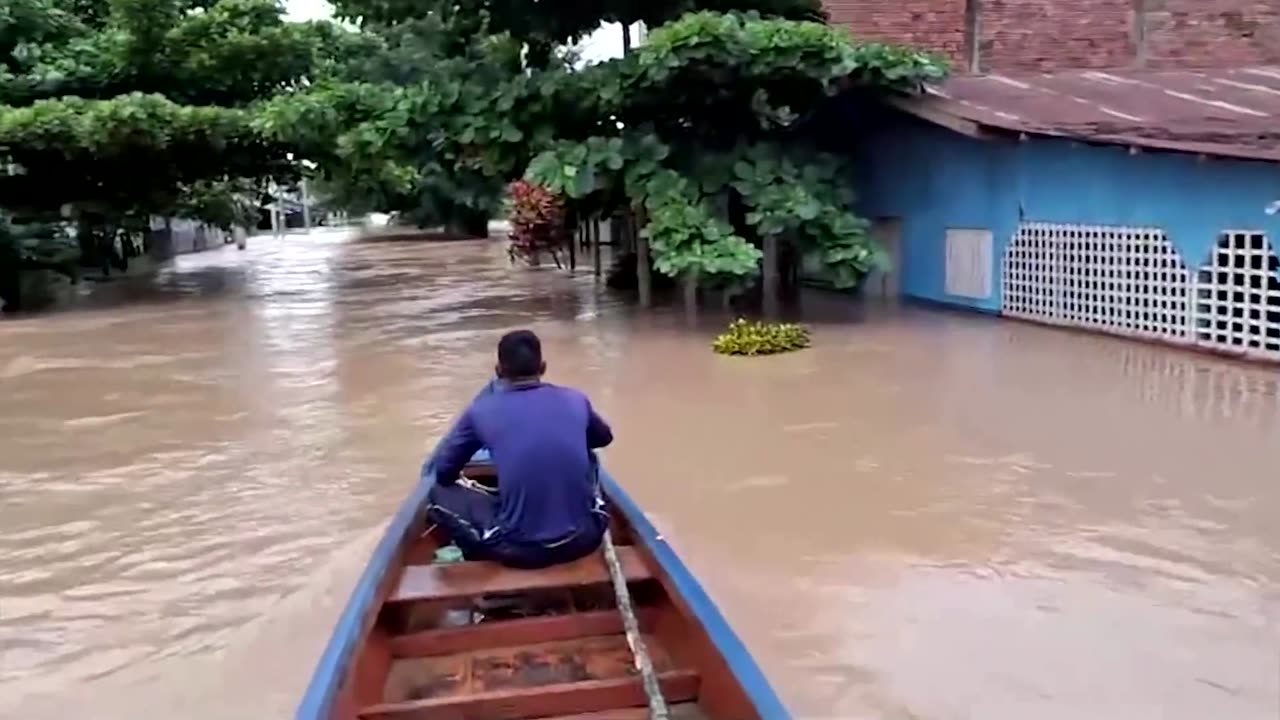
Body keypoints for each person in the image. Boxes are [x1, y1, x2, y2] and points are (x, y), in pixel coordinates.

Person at [424, 329, 614, 569]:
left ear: (499, 371)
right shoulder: (576, 399)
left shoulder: (481, 410)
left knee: (438, 494)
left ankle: (472, 555)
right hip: (585, 539)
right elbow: (603, 438)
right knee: (591, 457)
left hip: (519, 550)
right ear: (543, 367)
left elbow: (444, 472)